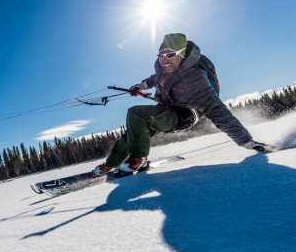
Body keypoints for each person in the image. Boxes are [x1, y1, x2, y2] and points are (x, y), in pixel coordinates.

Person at [93, 33, 268, 176]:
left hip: (185, 114)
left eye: (170, 55)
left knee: (136, 114)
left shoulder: (194, 78)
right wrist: (142, 86)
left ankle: (139, 159)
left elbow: (216, 109)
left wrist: (245, 140)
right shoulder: (164, 68)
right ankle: (111, 163)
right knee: (134, 129)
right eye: (161, 56)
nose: (164, 60)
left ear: (182, 54)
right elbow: (156, 78)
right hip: (168, 109)